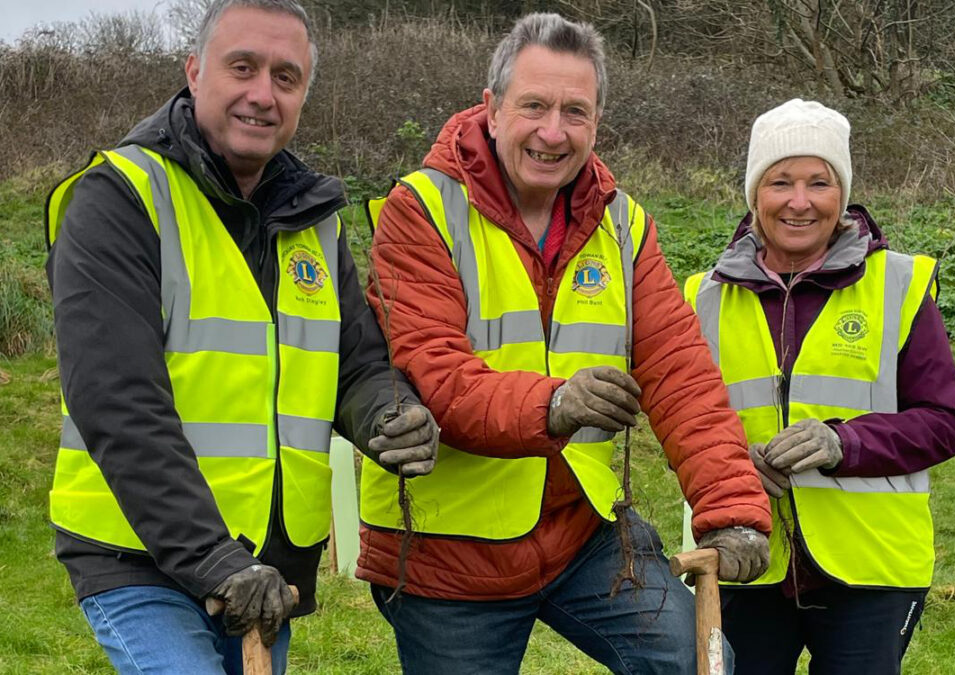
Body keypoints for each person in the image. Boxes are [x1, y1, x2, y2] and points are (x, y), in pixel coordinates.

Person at [361, 12, 771, 674]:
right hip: (449, 555)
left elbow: (679, 371)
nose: (554, 132)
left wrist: (733, 509)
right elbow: (436, 375)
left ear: (597, 123)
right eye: (534, 107)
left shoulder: (623, 223)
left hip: (581, 532)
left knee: (701, 663)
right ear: (492, 110)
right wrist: (556, 403)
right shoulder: (421, 210)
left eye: (575, 112)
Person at [44, 1, 438, 672]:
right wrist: (213, 559)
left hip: (264, 570)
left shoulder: (312, 219)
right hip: (137, 557)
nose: (263, 93)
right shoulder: (118, 201)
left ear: (304, 96)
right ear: (195, 73)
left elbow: (356, 364)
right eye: (242, 68)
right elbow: (119, 404)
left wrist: (387, 414)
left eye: (286, 77)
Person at [683, 98, 955, 674]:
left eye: (819, 182)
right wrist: (733, 466)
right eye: (780, 181)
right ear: (753, 193)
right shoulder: (700, 298)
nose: (799, 201)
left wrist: (846, 443)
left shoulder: (900, 283)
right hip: (743, 556)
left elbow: (945, 421)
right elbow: (679, 424)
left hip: (872, 565)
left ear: (841, 193)